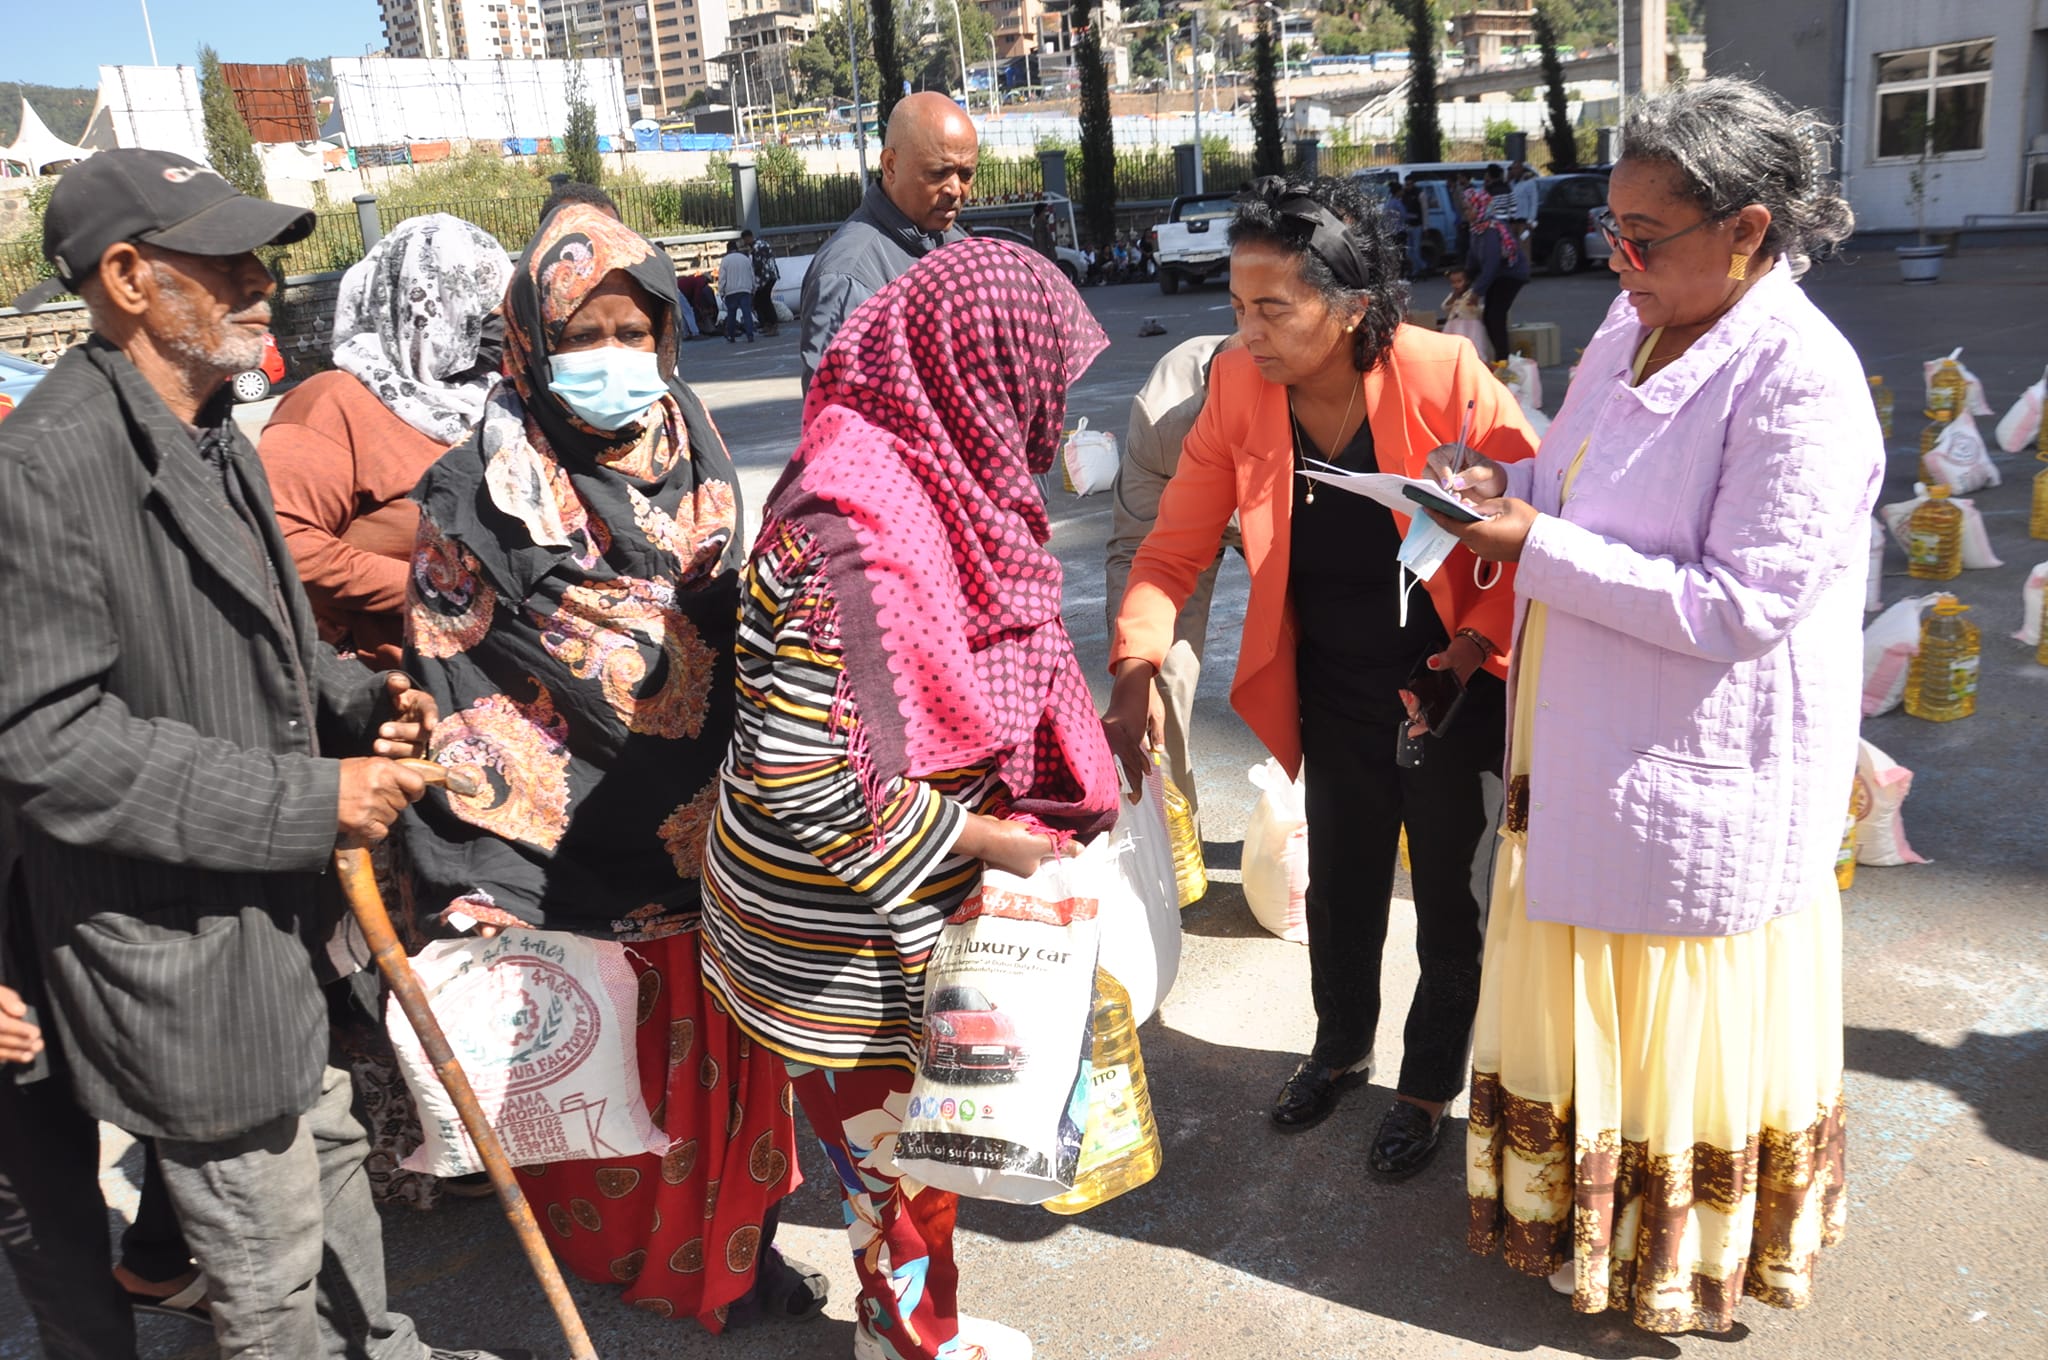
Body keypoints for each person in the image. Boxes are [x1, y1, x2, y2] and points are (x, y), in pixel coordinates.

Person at [0, 148, 519, 1360]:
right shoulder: (51, 467)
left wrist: (354, 703)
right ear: (127, 277)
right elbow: (51, 743)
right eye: (223, 259)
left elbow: (267, 646)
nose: (258, 281)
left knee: (333, 1158)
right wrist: (310, 794)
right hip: (172, 944)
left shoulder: (212, 428)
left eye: (258, 257)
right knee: (265, 1262)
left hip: (271, 924)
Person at [1436, 78, 1871, 1334]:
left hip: (1695, 768)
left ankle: (1664, 1262)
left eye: (1642, 236)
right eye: (1608, 232)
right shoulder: (1637, 333)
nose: (1614, 261)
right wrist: (1497, 482)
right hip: (1586, 742)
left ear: (1744, 231)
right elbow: (1575, 485)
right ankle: (1577, 1226)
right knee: (1589, 1011)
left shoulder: (1800, 378)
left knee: (1670, 1036)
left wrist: (1530, 545)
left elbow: (1739, 604)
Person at [400, 203, 823, 1333]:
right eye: (583, 334)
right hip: (574, 846)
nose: (616, 359)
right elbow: (457, 672)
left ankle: (741, 1252)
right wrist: (470, 872)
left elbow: (738, 613)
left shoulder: (697, 438)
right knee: (611, 1071)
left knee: (735, 1061)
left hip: (720, 829)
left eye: (636, 329)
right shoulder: (470, 490)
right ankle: (632, 1254)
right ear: (532, 343)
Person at [701, 239, 1120, 1360]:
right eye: (1038, 377)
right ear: (974, 367)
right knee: (893, 1159)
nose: (1048, 405)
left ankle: (907, 1318)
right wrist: (988, 837)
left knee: (893, 1158)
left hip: (853, 893)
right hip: (834, 921)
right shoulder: (869, 532)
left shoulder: (906, 464)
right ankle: (909, 1339)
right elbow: (804, 767)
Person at [1105, 177, 1538, 1179]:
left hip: (1451, 678)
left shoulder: (1446, 375)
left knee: (1448, 899)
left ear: (1348, 307)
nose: (1245, 333)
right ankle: (1339, 1050)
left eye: (1271, 309)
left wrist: (1466, 657)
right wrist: (1134, 663)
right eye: (1233, 308)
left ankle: (1426, 1086)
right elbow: (1173, 552)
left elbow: (1523, 540)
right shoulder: (1239, 393)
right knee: (1338, 883)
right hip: (1332, 682)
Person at [262, 213, 514, 671]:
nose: (499, 327)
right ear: (428, 308)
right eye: (483, 311)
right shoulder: (331, 404)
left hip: (503, 668)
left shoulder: (493, 397)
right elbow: (282, 543)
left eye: (501, 311)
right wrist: (436, 590)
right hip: (392, 687)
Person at [1103, 333, 1238, 819]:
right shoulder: (1163, 418)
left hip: (1290, 513)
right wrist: (1132, 675)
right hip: (1183, 520)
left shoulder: (1313, 402)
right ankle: (1173, 831)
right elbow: (1138, 552)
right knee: (1160, 676)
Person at [798, 91, 978, 388]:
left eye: (966, 174)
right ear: (891, 165)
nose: (956, 189)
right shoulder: (847, 278)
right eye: (939, 172)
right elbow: (838, 417)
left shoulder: (958, 246)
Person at [1464, 187, 1530, 372]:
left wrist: (1477, 292)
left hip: (1511, 274)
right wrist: (1465, 279)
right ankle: (1501, 358)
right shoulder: (1476, 228)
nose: (1466, 212)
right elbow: (1473, 257)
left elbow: (1491, 264)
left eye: (1469, 208)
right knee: (1490, 316)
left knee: (1495, 315)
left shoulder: (1491, 230)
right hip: (1498, 274)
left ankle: (1503, 361)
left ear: (1480, 208)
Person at [1439, 264, 1489, 361]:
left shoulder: (1472, 294)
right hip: (1453, 324)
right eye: (1453, 282)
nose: (1456, 285)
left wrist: (1474, 306)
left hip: (1470, 325)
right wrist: (1453, 297)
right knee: (1454, 347)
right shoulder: (1453, 295)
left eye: (1459, 281)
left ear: (1467, 281)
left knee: (1473, 346)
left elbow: (1479, 310)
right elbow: (1444, 307)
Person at [720, 234, 757, 342]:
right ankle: (750, 335)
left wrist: (721, 291)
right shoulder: (745, 258)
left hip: (731, 291)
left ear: (727, 250)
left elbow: (722, 278)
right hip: (745, 289)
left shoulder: (725, 260)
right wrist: (753, 287)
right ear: (736, 248)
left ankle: (731, 335)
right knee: (747, 313)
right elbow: (752, 274)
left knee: (731, 314)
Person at [750, 229, 781, 335]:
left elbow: (757, 265)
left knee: (764, 300)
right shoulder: (762, 243)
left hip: (766, 277)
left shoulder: (756, 247)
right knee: (761, 300)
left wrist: (755, 281)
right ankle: (768, 324)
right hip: (771, 275)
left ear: (747, 238)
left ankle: (772, 324)